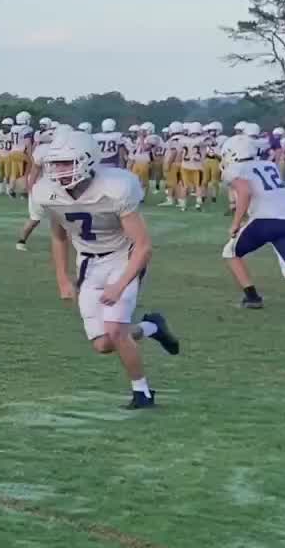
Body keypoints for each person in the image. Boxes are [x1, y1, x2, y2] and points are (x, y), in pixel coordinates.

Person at [29, 129, 179, 410]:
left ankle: (142, 393)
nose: (58, 170)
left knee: (115, 330)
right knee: (103, 344)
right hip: (88, 262)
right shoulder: (48, 192)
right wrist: (62, 278)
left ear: (86, 160)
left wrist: (120, 284)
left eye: (65, 163)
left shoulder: (116, 187)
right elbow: (58, 235)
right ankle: (151, 327)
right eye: (55, 163)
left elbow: (143, 246)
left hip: (124, 257)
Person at [221, 132, 285, 319]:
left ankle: (252, 297)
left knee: (230, 253)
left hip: (263, 220)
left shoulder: (236, 169)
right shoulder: (269, 165)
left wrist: (235, 223)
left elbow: (245, 192)